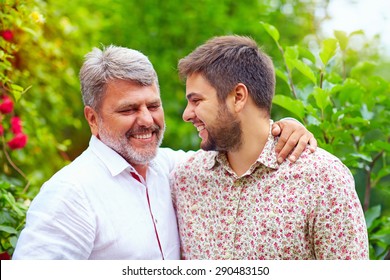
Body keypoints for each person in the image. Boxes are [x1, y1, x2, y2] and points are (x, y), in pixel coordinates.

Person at [12, 45, 315, 260]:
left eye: (153, 106)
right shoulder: (71, 193)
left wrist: (281, 128)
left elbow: (241, 148)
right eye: (129, 109)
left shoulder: (174, 169)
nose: (146, 119)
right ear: (93, 119)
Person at [172, 35, 369, 260]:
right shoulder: (185, 179)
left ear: (238, 97)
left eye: (196, 101)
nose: (186, 114)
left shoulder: (323, 179)